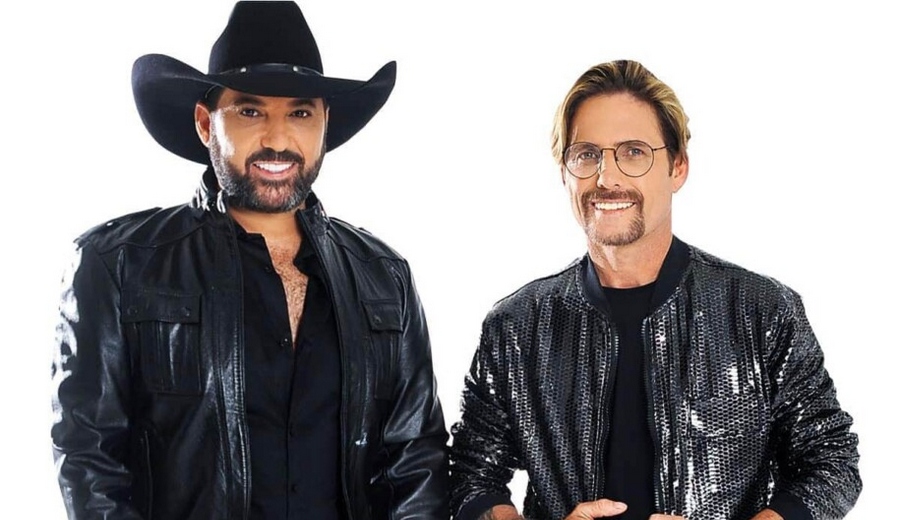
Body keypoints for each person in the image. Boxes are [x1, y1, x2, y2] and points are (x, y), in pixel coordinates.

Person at [50, 2, 449, 519]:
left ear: (325, 124)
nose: (278, 139)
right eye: (250, 111)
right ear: (205, 123)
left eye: (300, 113)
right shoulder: (118, 265)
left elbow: (415, 460)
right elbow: (90, 463)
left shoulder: (383, 276)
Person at [448, 59, 860, 520]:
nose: (607, 178)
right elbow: (471, 475)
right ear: (564, 171)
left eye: (633, 152)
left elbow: (831, 461)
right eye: (586, 154)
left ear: (677, 167)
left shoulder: (760, 311)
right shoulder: (516, 327)